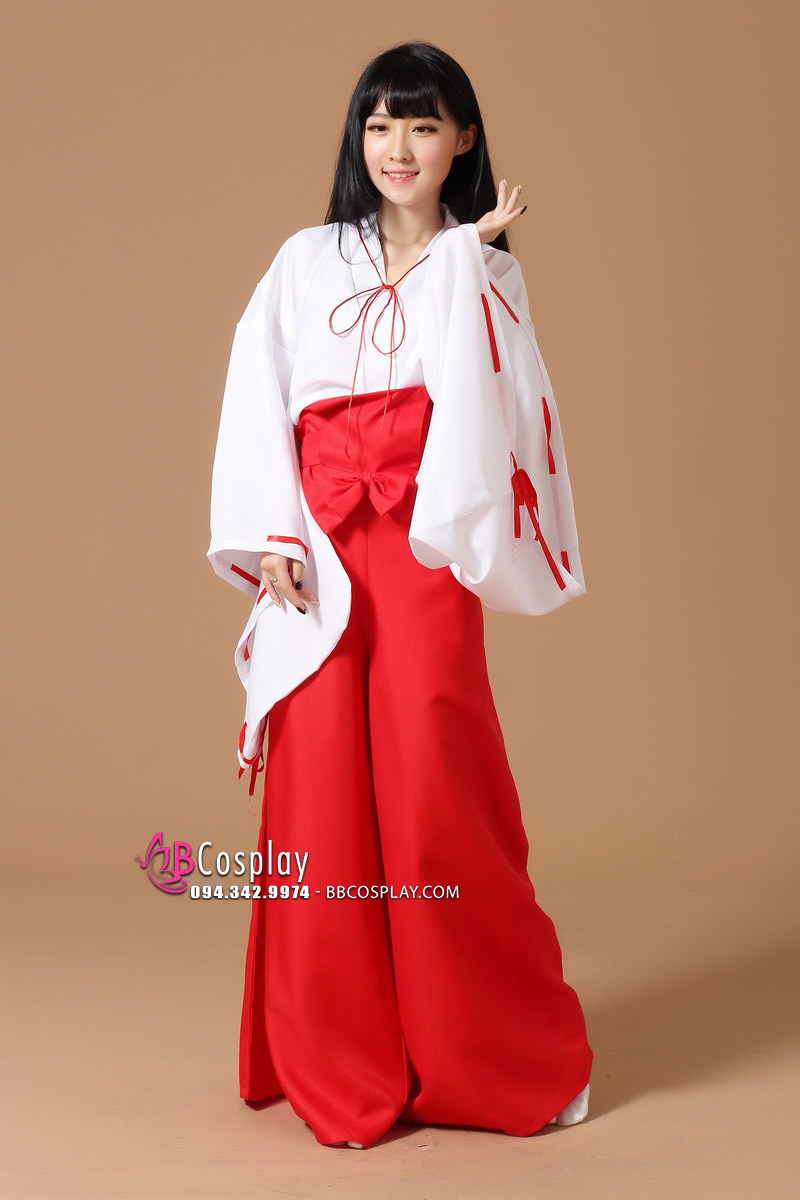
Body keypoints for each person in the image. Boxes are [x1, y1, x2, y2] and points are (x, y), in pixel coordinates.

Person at [207, 40, 593, 1150]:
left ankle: (479, 1054)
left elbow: (499, 411)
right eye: (380, 125)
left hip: (424, 541)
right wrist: (271, 533)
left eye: (423, 126)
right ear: (358, 138)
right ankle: (338, 1058)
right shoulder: (305, 259)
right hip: (321, 541)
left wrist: (469, 258)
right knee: (322, 791)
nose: (398, 148)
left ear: (461, 139)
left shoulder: (487, 269)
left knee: (434, 782)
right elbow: (257, 390)